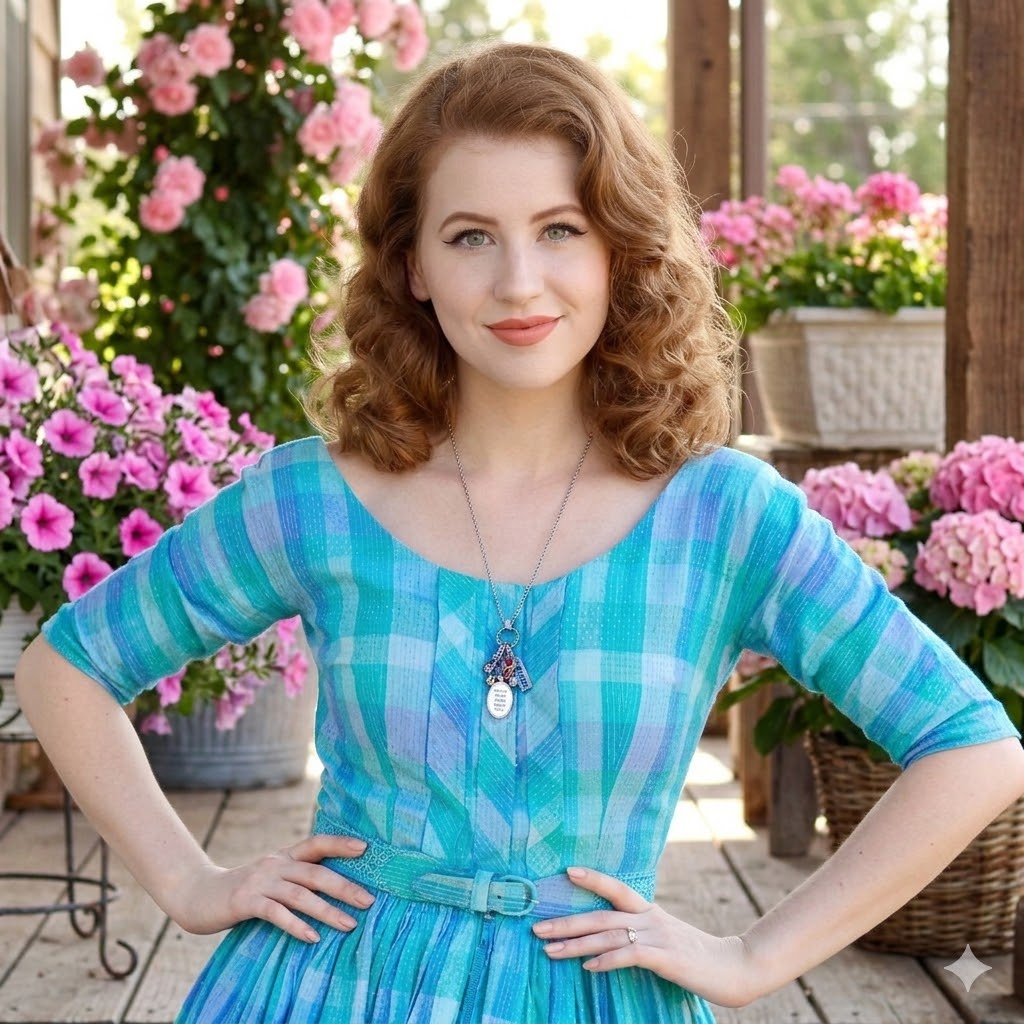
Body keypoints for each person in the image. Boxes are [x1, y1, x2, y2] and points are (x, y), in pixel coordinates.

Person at [14, 40, 1024, 1024]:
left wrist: (757, 955)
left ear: (618, 246)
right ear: (410, 263)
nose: (518, 283)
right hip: (330, 986)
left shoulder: (723, 514)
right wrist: (190, 883)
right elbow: (66, 667)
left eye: (559, 229)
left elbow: (973, 746)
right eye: (469, 236)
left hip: (596, 992)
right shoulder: (313, 500)